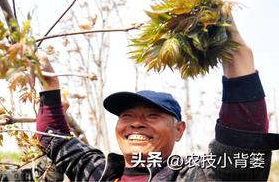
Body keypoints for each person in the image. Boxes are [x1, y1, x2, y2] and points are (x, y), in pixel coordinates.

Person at [36, 13, 279, 180]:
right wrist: (49, 87)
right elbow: (54, 138)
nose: (136, 123)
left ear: (179, 130)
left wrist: (237, 57)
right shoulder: (100, 173)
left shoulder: (191, 177)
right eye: (127, 115)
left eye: (152, 115)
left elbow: (242, 150)